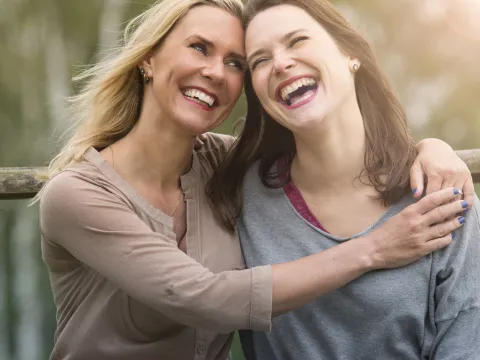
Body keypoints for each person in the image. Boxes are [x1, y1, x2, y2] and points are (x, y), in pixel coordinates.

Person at [37, 0, 473, 359]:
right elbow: (201, 296)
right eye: (199, 47)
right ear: (148, 58)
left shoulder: (224, 166)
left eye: (236, 63)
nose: (216, 72)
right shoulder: (76, 195)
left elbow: (332, 146)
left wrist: (431, 148)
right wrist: (376, 247)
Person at [207, 0, 480, 359]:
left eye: (297, 40)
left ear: (350, 53)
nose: (281, 63)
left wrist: (434, 147)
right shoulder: (238, 193)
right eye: (259, 60)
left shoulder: (439, 194)